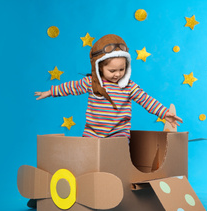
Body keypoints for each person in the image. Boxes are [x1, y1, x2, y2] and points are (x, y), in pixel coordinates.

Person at [35, 34, 183, 138]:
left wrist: (163, 113)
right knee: (90, 161)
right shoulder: (92, 82)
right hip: (92, 134)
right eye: (112, 71)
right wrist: (50, 92)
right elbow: (71, 87)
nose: (117, 74)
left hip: (119, 135)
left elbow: (146, 100)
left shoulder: (129, 86)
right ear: (99, 67)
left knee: (115, 162)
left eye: (121, 69)